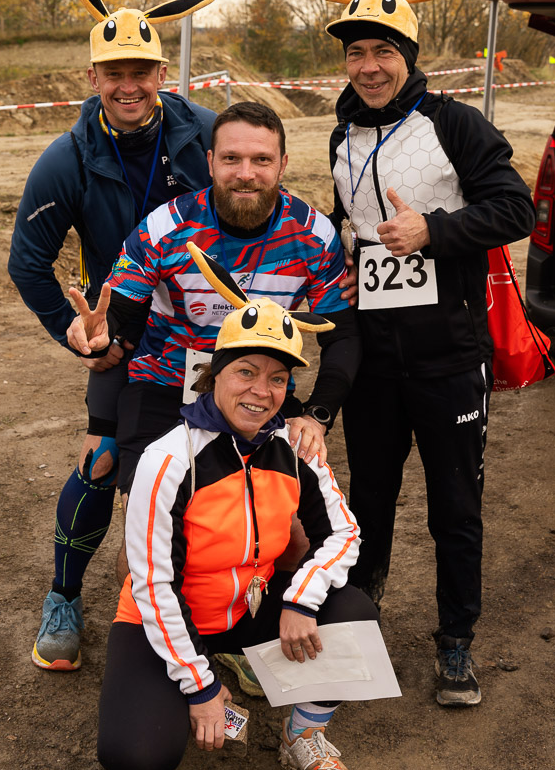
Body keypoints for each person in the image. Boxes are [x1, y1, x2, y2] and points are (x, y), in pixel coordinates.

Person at [298, 0, 537, 707]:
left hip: (448, 358)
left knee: (454, 511)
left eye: (383, 51)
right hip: (374, 360)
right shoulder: (340, 134)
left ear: (409, 54)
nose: (368, 66)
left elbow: (516, 209)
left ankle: (455, 643)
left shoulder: (455, 124)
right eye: (356, 53)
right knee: (367, 503)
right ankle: (358, 624)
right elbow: (350, 225)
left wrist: (434, 229)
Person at [66, 101, 360, 687]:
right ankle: (175, 652)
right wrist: (101, 337)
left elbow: (344, 336)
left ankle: (252, 633)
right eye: (231, 159)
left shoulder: (314, 234)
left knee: (293, 533)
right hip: (165, 387)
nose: (245, 173)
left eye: (261, 160)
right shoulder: (165, 227)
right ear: (209, 162)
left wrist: (318, 415)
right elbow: (121, 319)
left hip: (257, 390)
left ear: (282, 164)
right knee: (149, 537)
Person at [96, 256, 379, 770]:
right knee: (135, 757)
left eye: (278, 378)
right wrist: (199, 686)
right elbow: (154, 585)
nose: (261, 391)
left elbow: (344, 534)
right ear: (215, 372)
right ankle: (195, 680)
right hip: (172, 618)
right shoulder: (168, 459)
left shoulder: (294, 447)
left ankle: (302, 735)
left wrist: (300, 599)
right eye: (246, 371)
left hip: (250, 611)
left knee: (353, 612)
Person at [7, 0, 216, 672]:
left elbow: (256, 200)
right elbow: (27, 264)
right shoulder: (68, 158)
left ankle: (215, 606)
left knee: (219, 464)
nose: (129, 85)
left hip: (207, 333)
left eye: (142, 71)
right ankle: (64, 596)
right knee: (103, 461)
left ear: (163, 73)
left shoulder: (206, 135)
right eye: (114, 72)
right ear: (93, 76)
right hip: (122, 337)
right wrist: (76, 336)